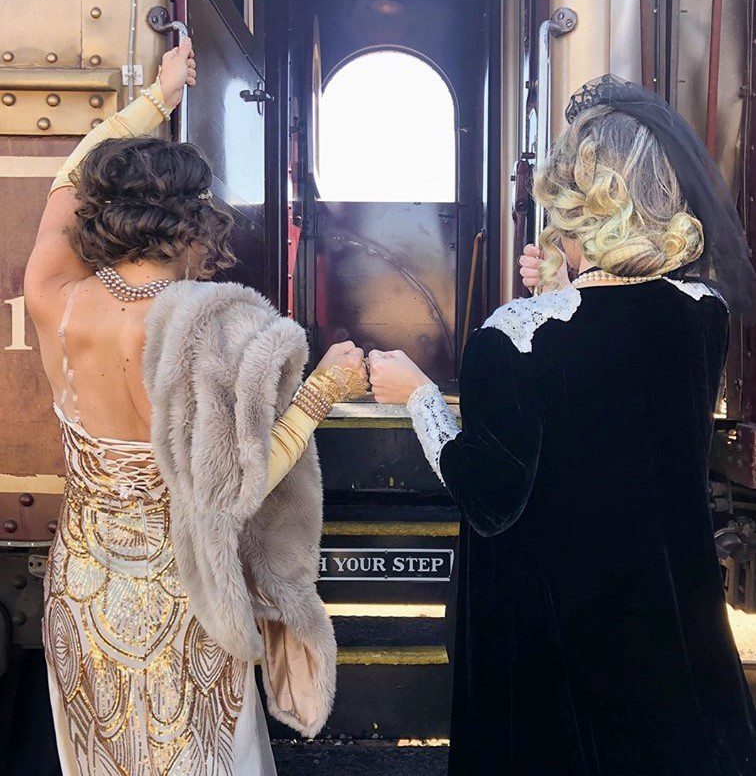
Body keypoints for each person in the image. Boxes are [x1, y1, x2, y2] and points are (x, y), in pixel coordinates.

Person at [368, 76, 756, 775]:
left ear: (573, 208)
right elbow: (614, 375)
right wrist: (566, 284)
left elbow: (489, 497)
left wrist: (417, 393)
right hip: (664, 627)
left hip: (556, 650)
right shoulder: (704, 313)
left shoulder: (512, 335)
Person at [24, 39, 367, 776]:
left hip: (81, 591)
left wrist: (157, 99)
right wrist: (324, 390)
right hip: (184, 600)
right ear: (191, 227)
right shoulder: (205, 325)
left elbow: (66, 176)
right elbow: (239, 482)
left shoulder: (54, 297)